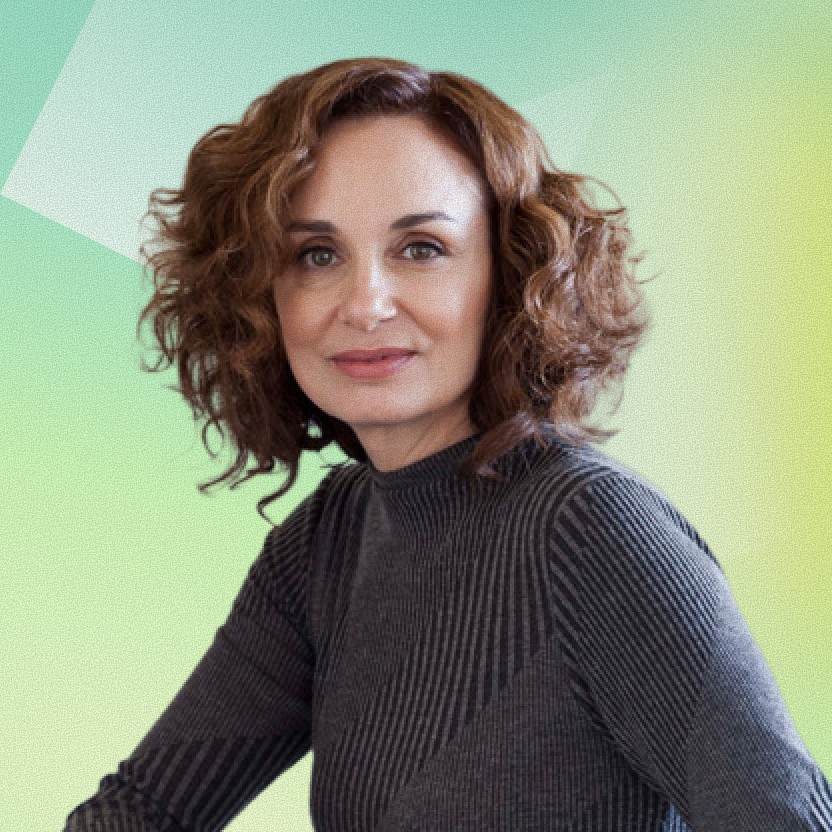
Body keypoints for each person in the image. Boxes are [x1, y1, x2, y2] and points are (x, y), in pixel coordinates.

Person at [64, 57, 832, 832]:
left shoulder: (592, 528)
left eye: (421, 248)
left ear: (509, 275)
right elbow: (146, 810)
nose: (364, 304)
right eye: (316, 255)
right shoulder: (327, 545)